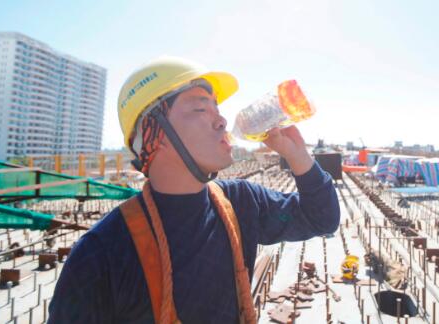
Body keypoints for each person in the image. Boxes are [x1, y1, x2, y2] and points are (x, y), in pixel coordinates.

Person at [48, 56, 340, 323]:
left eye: (217, 107)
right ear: (154, 134)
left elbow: (321, 218)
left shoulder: (241, 202)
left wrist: (298, 156)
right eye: (201, 107)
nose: (222, 120)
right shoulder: (102, 255)